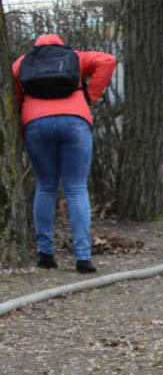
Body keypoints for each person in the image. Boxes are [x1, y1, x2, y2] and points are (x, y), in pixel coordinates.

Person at [11, 34, 116, 274]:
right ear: (60, 45)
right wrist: (91, 94)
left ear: (35, 48)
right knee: (77, 188)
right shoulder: (75, 58)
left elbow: (16, 97)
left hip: (36, 123)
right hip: (75, 121)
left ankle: (45, 254)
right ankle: (82, 257)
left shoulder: (21, 63)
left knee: (46, 186)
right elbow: (108, 60)